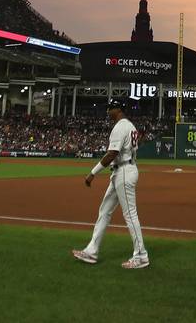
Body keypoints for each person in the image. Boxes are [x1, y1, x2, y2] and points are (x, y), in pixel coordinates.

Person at [72, 98, 149, 269]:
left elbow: (112, 154)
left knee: (130, 215)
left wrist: (92, 173)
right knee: (105, 211)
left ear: (118, 110)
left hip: (124, 171)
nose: (108, 112)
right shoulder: (130, 126)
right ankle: (92, 251)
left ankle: (141, 256)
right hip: (121, 171)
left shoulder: (120, 126)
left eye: (110, 109)